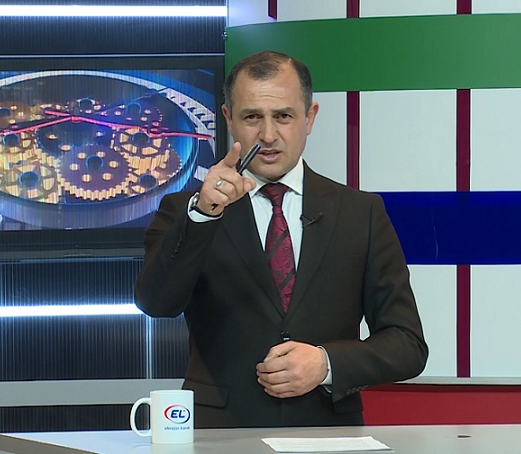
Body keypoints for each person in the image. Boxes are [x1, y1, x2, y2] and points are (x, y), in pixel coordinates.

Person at [134, 50, 428, 428]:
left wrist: (326, 363)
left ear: (310, 117)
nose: (268, 135)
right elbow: (156, 302)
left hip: (327, 433)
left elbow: (407, 344)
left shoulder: (361, 213)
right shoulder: (187, 210)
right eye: (252, 117)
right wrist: (204, 214)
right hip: (222, 434)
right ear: (228, 119)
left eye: (284, 116)